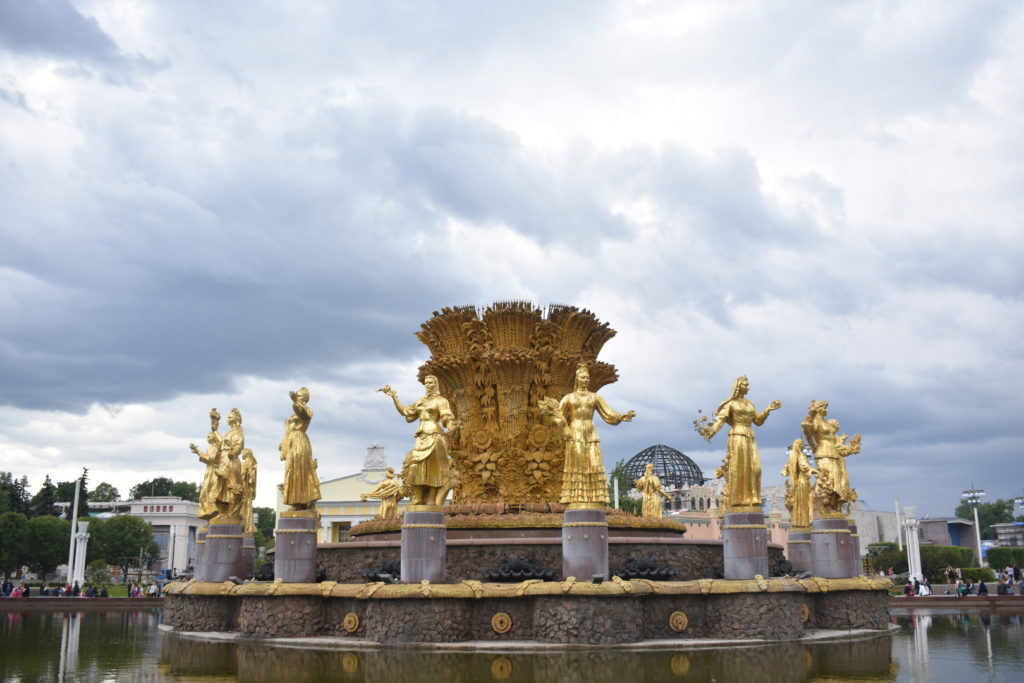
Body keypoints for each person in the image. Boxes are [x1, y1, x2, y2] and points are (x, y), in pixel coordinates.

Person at [540, 363, 635, 507]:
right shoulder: (569, 398)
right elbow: (557, 414)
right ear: (577, 379)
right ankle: (576, 497)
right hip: (575, 431)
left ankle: (594, 497)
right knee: (577, 464)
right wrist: (560, 423)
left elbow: (608, 412)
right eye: (583, 377)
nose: (586, 380)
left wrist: (621, 417)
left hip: (590, 431)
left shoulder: (595, 397)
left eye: (587, 378)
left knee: (593, 462)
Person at [701, 376, 779, 513]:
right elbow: (720, 420)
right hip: (737, 436)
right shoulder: (730, 404)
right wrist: (711, 431)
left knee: (755, 468)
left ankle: (753, 497)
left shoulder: (750, 404)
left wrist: (768, 410)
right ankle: (738, 499)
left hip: (750, 436)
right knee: (738, 467)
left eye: (748, 385)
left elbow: (758, 422)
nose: (748, 387)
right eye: (745, 385)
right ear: (738, 387)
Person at [380, 376, 459, 507]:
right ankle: (419, 497)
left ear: (436, 384)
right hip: (421, 435)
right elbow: (405, 411)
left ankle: (432, 499)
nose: (428, 385)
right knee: (414, 465)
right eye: (426, 383)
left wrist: (451, 425)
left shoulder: (441, 400)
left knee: (435, 467)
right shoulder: (421, 401)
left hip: (435, 435)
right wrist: (394, 396)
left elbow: (446, 416)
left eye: (431, 383)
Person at [280, 387, 321, 511]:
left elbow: (303, 414)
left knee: (299, 470)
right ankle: (295, 502)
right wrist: (284, 445)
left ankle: (302, 501)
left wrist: (295, 403)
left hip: (300, 442)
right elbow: (288, 431)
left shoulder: (307, 410)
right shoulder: (293, 413)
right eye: (296, 395)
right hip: (292, 442)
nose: (297, 396)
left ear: (304, 398)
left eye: (299, 395)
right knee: (291, 470)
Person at [190, 408, 223, 520]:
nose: (207, 438)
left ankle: (212, 509)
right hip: (209, 471)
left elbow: (210, 459)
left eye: (209, 436)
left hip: (214, 471)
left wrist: (198, 451)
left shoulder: (216, 448)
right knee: (205, 492)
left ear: (213, 438)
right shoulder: (211, 447)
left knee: (210, 492)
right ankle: (207, 510)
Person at [781, 438, 817, 529]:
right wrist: (817, 472)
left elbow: (786, 470)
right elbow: (805, 467)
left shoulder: (794, 457)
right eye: (803, 444)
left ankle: (800, 521)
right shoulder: (801, 456)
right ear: (800, 445)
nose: (804, 445)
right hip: (803, 482)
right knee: (805, 502)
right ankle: (805, 521)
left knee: (800, 502)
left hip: (799, 483)